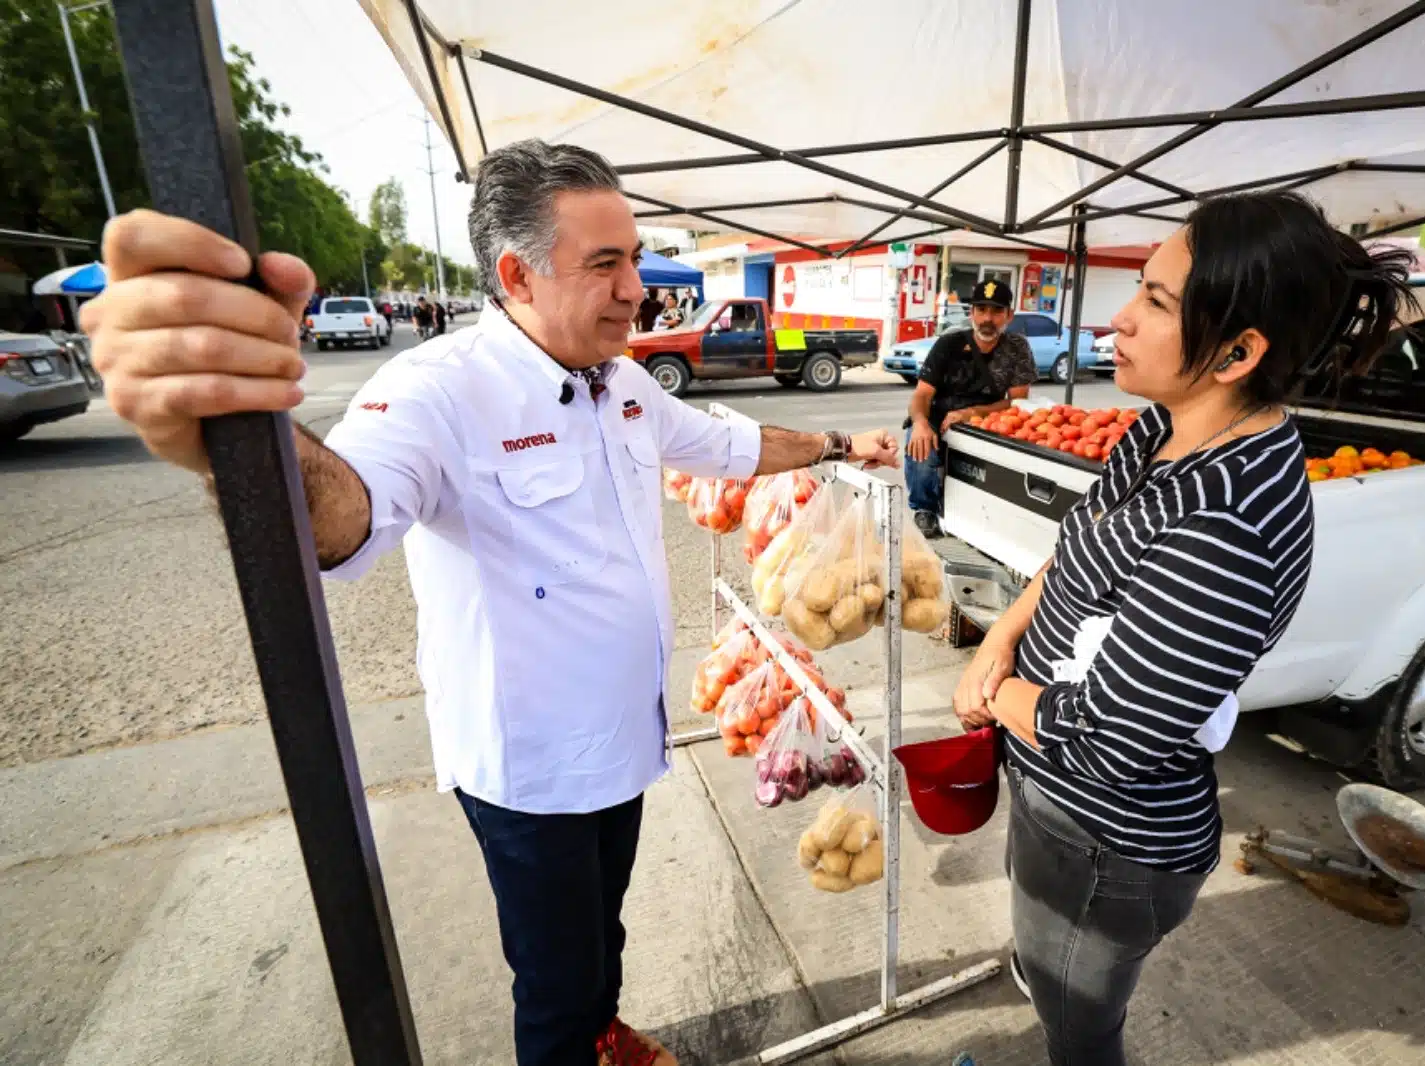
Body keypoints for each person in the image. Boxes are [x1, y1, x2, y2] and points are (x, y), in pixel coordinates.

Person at [83, 138, 898, 1066]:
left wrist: (838, 441)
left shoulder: (624, 381)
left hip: (628, 741)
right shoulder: (436, 392)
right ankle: (577, 1040)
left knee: (603, 937)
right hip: (532, 774)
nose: (637, 288)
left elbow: (730, 448)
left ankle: (607, 1035)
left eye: (633, 258)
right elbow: (341, 514)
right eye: (606, 264)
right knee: (552, 982)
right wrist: (247, 434)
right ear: (517, 272)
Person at [950, 190, 1414, 1066]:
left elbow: (1112, 744)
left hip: (1107, 843)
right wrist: (1006, 631)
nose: (1117, 321)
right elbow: (1077, 548)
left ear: (1239, 352)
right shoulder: (1164, 431)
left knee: (1077, 1025)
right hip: (1056, 800)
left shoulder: (1224, 524)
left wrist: (994, 693)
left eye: (1156, 302)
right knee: (1048, 984)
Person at [904, 279, 1035, 537]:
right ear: (972, 313)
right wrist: (920, 423)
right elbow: (922, 394)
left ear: (1009, 315)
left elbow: (1018, 401)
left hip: (987, 422)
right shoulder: (948, 344)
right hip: (939, 419)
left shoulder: (1017, 348)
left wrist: (972, 413)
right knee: (918, 442)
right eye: (982, 310)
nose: (988, 318)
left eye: (997, 311)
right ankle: (925, 510)